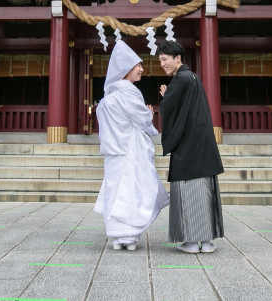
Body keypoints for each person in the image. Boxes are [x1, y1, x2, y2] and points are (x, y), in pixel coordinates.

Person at [94, 41, 169, 250]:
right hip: (129, 149)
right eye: (138, 65)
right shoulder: (129, 92)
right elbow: (141, 117)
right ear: (127, 69)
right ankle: (130, 235)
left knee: (114, 188)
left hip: (112, 151)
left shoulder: (107, 98)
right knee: (131, 188)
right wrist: (150, 115)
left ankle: (117, 237)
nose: (142, 69)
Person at [158, 40, 224, 253]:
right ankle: (206, 242)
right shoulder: (193, 77)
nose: (162, 64)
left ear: (178, 58)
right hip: (203, 145)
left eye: (165, 59)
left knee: (188, 193)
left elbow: (171, 108)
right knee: (205, 192)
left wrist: (165, 96)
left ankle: (190, 242)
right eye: (160, 60)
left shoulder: (180, 79)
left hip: (188, 147)